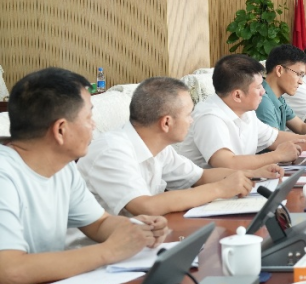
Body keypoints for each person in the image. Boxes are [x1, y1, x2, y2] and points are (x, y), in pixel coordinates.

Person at [0, 68, 169, 284]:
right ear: (61, 130)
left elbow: (98, 223)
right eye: (89, 117)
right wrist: (109, 251)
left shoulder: (63, 167)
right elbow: (10, 272)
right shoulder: (4, 175)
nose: (94, 126)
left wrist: (137, 229)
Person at [79, 77, 283, 217]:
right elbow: (145, 206)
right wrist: (221, 188)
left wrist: (251, 174)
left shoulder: (159, 146)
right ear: (166, 123)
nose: (192, 120)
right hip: (92, 254)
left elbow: (200, 176)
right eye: (188, 114)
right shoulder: (112, 150)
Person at [175, 54, 306, 170]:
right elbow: (227, 163)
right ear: (237, 95)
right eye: (258, 87)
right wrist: (278, 155)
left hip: (234, 186)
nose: (263, 92)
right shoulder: (209, 117)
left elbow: (275, 138)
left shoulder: (246, 111)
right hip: (201, 194)